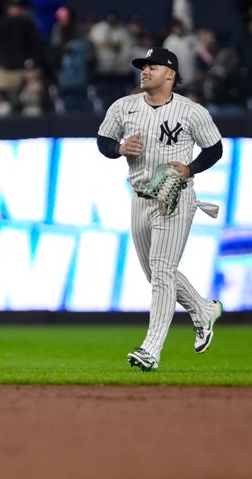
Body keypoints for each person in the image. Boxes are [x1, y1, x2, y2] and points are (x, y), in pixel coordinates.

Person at [96, 47, 224, 372]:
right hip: (139, 196)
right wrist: (118, 148)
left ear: (170, 75)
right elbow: (103, 141)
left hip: (175, 198)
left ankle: (151, 350)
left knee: (162, 272)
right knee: (155, 273)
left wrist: (190, 169)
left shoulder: (191, 111)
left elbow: (215, 148)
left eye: (153, 66)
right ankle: (203, 309)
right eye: (144, 66)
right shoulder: (123, 107)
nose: (145, 70)